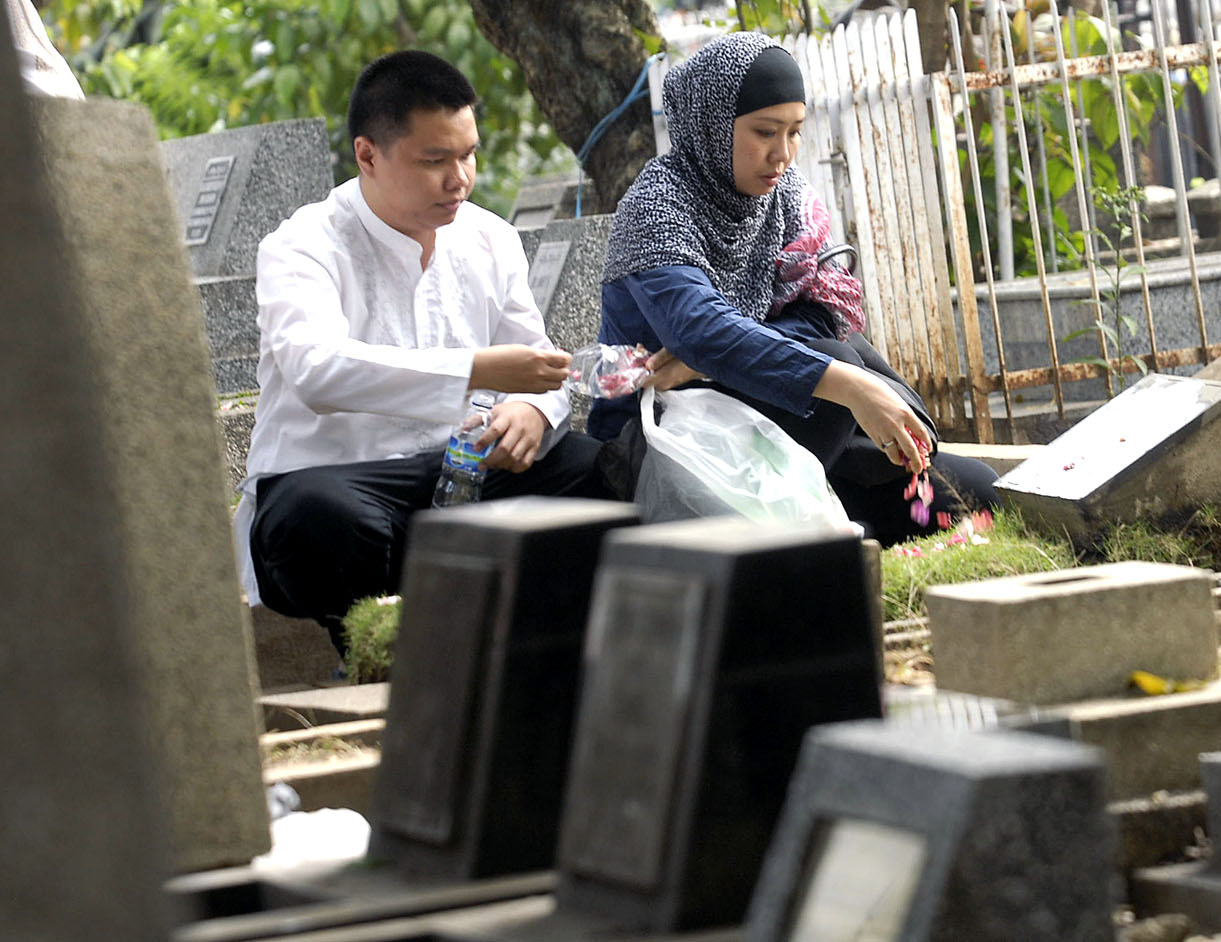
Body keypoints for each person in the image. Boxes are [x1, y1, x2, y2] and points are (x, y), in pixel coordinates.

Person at [235, 50, 607, 652]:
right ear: (368, 155)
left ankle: (557, 649)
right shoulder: (302, 245)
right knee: (318, 517)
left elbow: (540, 366)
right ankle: (372, 658)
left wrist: (531, 412)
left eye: (468, 154)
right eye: (434, 160)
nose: (459, 178)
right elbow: (316, 371)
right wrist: (477, 370)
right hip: (342, 485)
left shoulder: (491, 238)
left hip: (463, 471)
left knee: (596, 470)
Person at [588, 32, 997, 545]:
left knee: (980, 490)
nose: (782, 154)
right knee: (833, 375)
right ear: (711, 125)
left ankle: (826, 525)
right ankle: (799, 545)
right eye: (764, 132)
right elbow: (699, 327)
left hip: (776, 424)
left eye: (795, 132)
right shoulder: (655, 207)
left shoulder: (784, 199)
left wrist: (708, 359)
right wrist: (847, 384)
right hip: (670, 445)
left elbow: (823, 311)